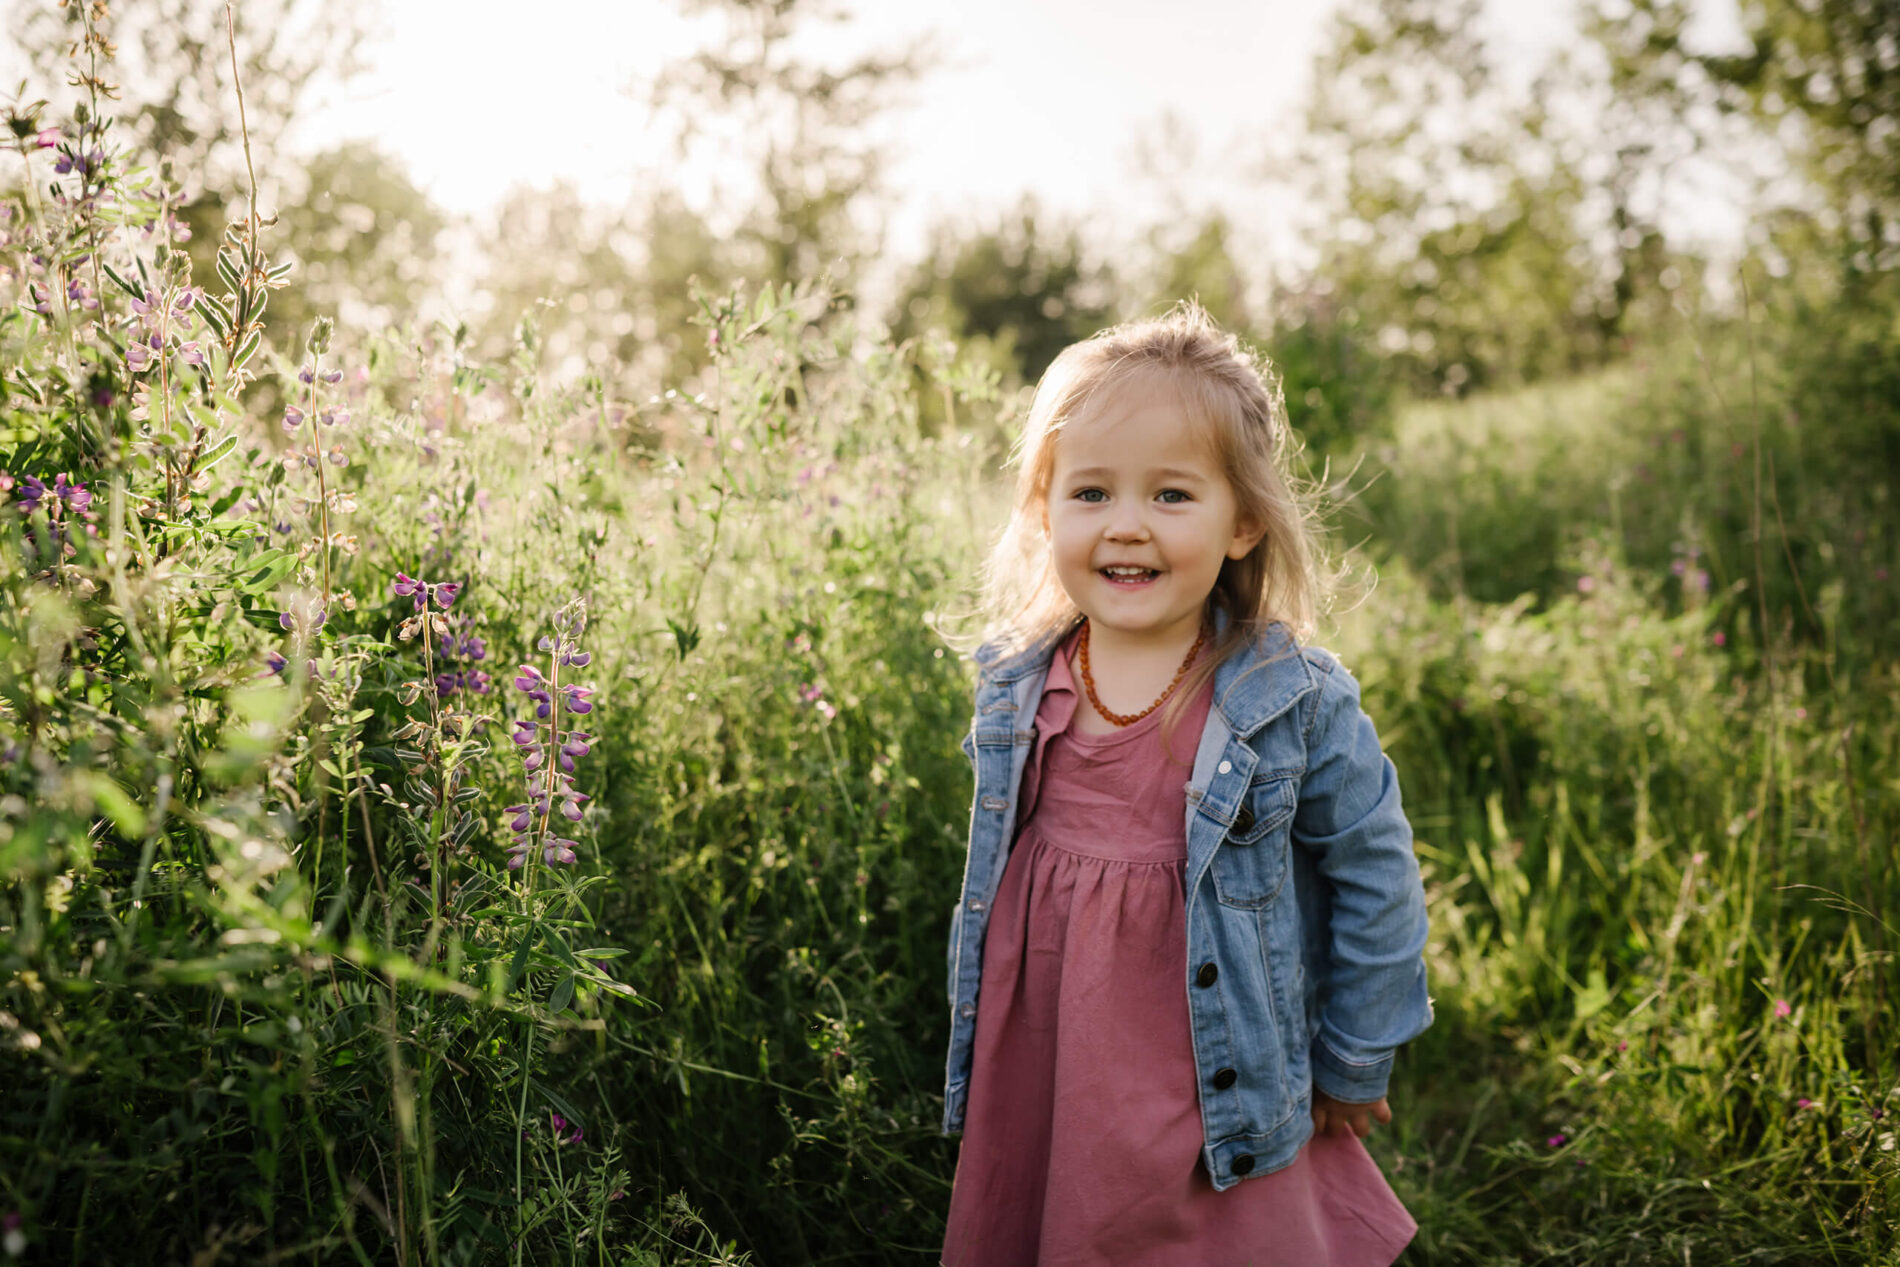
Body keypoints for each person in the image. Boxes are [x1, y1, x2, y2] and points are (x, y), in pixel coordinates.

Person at [939, 303, 1433, 1266]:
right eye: (1091, 493)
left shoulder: (1291, 698)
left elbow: (1379, 874)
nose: (1127, 525)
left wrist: (1352, 1053)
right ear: (1044, 510)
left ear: (1243, 520)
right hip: (1051, 1056)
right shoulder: (1018, 685)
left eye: (1171, 495)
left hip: (1216, 1065)